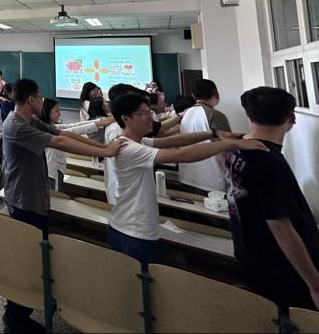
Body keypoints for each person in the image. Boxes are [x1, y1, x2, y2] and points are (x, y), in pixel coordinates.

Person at [2, 78, 126, 333]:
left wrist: (103, 146)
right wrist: (106, 153)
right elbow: (58, 143)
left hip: (35, 198)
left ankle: (19, 311)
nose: (42, 100)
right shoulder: (15, 125)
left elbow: (62, 133)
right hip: (23, 201)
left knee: (34, 257)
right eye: (40, 96)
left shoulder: (30, 120)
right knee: (27, 260)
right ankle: (15, 318)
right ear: (30, 100)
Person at [108, 92, 267, 267]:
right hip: (132, 232)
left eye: (149, 112)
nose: (150, 118)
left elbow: (175, 140)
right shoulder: (128, 148)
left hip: (131, 226)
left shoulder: (137, 142)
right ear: (126, 118)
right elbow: (182, 154)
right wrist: (232, 143)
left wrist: (213, 133)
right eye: (143, 114)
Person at [225, 87, 319, 310]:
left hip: (250, 252)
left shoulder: (236, 149)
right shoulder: (267, 161)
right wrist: (314, 284)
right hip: (280, 266)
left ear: (249, 116)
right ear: (291, 119)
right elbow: (280, 226)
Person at [40, 97, 113, 190]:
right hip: (51, 173)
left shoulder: (51, 126)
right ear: (47, 112)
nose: (60, 113)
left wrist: (99, 121)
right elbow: (71, 131)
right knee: (52, 195)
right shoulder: (46, 129)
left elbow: (72, 125)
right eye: (57, 111)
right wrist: (98, 124)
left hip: (55, 171)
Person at [179, 78, 232, 192]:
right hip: (211, 182)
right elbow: (223, 151)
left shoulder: (186, 114)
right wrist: (232, 180)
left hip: (186, 178)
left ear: (193, 96)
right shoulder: (216, 115)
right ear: (216, 94)